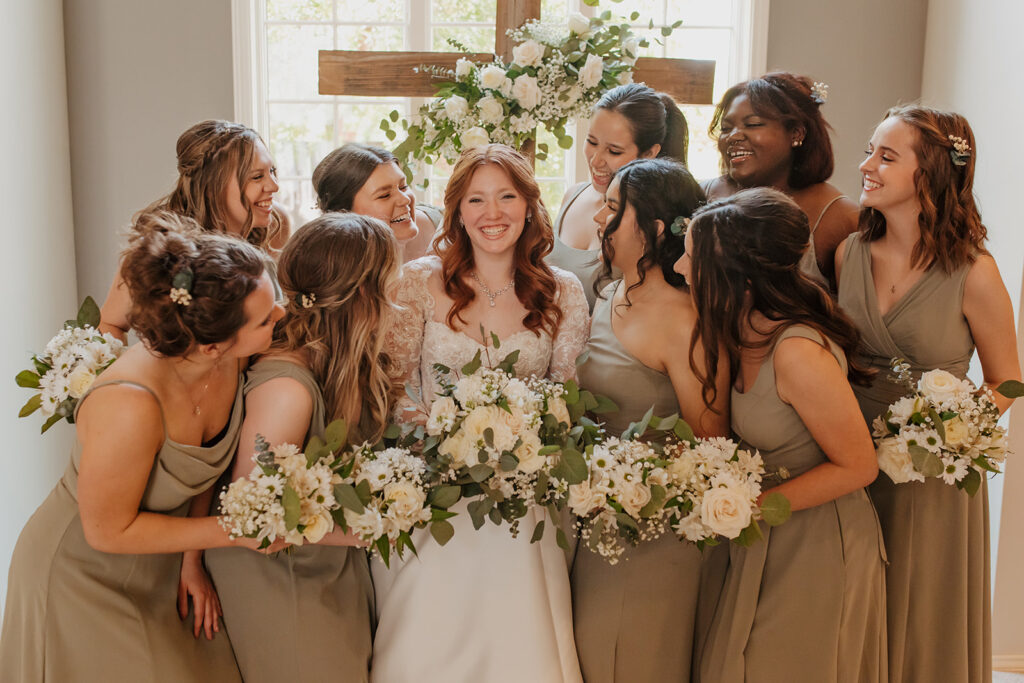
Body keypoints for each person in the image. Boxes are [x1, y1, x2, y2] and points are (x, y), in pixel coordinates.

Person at [0, 211, 285, 682]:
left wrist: (192, 561)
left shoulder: (225, 362)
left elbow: (203, 471)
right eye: (266, 317)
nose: (282, 314)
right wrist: (233, 532)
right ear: (212, 345)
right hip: (80, 574)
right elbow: (107, 532)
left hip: (159, 565)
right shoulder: (128, 404)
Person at [374, 143, 590, 683]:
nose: (492, 214)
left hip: (524, 496)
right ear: (457, 211)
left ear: (529, 205)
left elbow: (563, 399)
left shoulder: (563, 290)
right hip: (433, 491)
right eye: (476, 200)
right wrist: (447, 447)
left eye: (506, 197)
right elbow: (396, 387)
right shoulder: (419, 283)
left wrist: (519, 450)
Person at [836, 105, 1020, 683]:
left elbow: (1007, 381)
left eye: (886, 156)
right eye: (870, 150)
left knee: (920, 610)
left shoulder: (974, 271)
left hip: (930, 473)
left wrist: (942, 435)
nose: (866, 165)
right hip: (852, 453)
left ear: (931, 172)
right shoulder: (848, 255)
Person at [682, 188, 886, 682]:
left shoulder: (797, 353)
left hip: (818, 541)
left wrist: (751, 506)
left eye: (692, 258)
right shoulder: (740, 327)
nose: (681, 269)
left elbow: (859, 466)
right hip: (771, 528)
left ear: (741, 278)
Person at [202, 213, 395, 682]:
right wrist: (371, 527)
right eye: (391, 285)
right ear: (365, 298)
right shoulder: (287, 389)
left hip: (321, 564)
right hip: (277, 579)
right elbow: (253, 517)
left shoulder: (331, 364)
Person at [570, 158, 728, 683]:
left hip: (651, 531)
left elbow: (711, 443)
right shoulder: (608, 290)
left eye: (614, 209)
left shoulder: (683, 319)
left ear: (655, 229)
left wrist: (632, 482)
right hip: (593, 520)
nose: (598, 218)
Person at [100, 120, 289, 339]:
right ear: (212, 187)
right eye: (257, 177)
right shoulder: (160, 249)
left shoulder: (275, 223)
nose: (274, 186)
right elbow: (109, 324)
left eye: (272, 171)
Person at [703, 72, 858, 285]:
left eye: (753, 124)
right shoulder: (704, 194)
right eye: (726, 128)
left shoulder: (838, 216)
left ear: (796, 133)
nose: (733, 136)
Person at [549, 83, 689, 309]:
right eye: (592, 142)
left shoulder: (654, 223)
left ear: (649, 153)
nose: (596, 161)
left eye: (614, 151)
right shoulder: (573, 195)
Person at [312, 142, 441, 262]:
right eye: (385, 195)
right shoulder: (333, 267)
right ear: (344, 213)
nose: (405, 199)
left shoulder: (447, 223)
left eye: (403, 187)